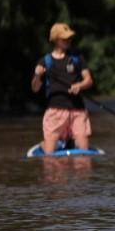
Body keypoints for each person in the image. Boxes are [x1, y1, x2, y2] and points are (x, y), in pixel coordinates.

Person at [31, 23, 93, 154]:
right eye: (65, 38)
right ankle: (47, 144)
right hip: (55, 111)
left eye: (69, 38)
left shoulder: (77, 57)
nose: (68, 40)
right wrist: (37, 75)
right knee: (50, 154)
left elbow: (89, 80)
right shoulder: (45, 61)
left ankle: (71, 141)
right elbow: (35, 89)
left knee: (83, 151)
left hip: (77, 111)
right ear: (55, 40)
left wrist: (79, 85)